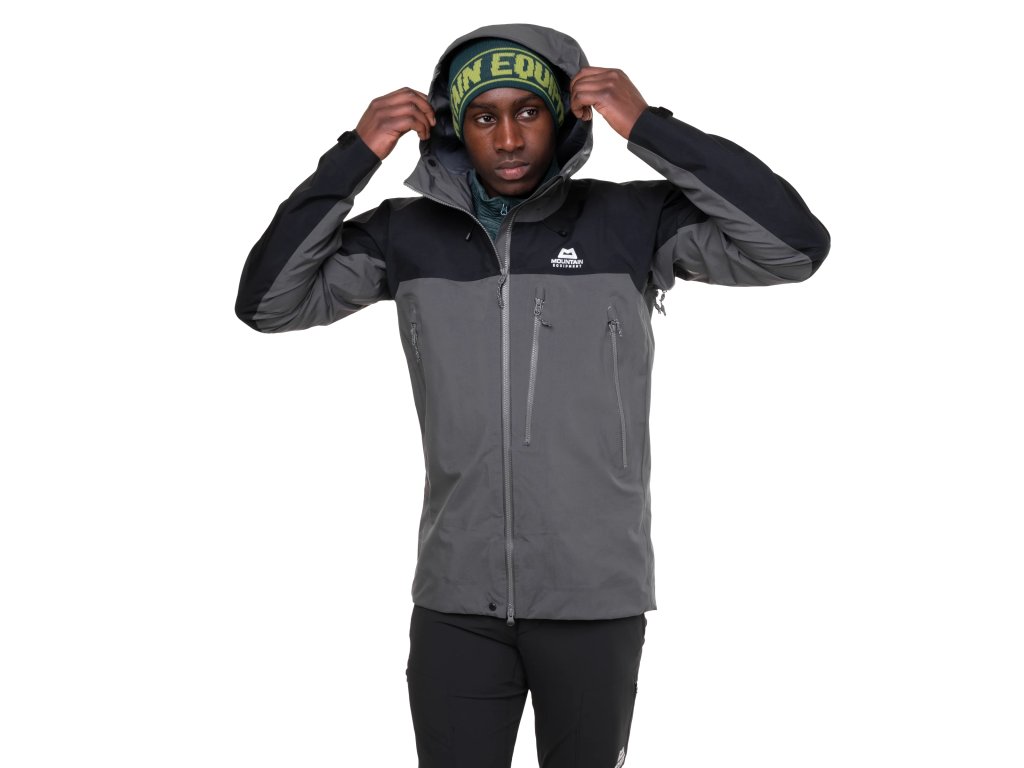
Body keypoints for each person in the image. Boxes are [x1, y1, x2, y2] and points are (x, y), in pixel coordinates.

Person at [235, 22, 830, 768]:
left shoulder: (632, 222)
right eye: (484, 116)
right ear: (455, 128)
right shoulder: (406, 236)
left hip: (594, 599)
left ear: (561, 118)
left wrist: (649, 127)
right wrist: (355, 155)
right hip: (456, 600)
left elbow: (793, 247)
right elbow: (268, 303)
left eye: (528, 111)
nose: (509, 138)